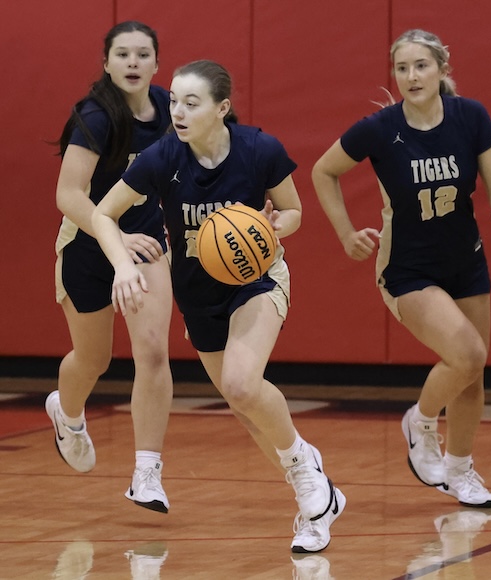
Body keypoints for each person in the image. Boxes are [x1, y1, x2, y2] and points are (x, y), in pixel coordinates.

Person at [92, 59, 345, 552]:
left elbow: (293, 210)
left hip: (257, 280)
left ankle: (306, 468)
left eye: (192, 103)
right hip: (199, 296)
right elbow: (103, 214)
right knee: (245, 408)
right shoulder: (163, 156)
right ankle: (317, 502)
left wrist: (276, 225)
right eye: (174, 102)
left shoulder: (259, 149)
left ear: (221, 108)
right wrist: (122, 264)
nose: (178, 112)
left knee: (240, 383)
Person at [312, 29, 491, 509]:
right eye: (401, 68)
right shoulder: (380, 128)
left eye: (421, 66)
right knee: (467, 354)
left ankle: (460, 472)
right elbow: (324, 171)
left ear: (442, 68)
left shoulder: (470, 116)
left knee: (473, 373)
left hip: (466, 260)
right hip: (407, 268)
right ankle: (421, 421)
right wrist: (345, 233)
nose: (411, 76)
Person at [46, 20, 174, 513]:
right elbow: (67, 195)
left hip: (145, 245)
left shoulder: (172, 109)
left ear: (157, 62)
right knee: (93, 359)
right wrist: (114, 236)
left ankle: (147, 472)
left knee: (153, 351)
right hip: (87, 244)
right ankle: (67, 413)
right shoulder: (96, 116)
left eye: (143, 54)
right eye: (122, 54)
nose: (133, 62)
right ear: (106, 63)